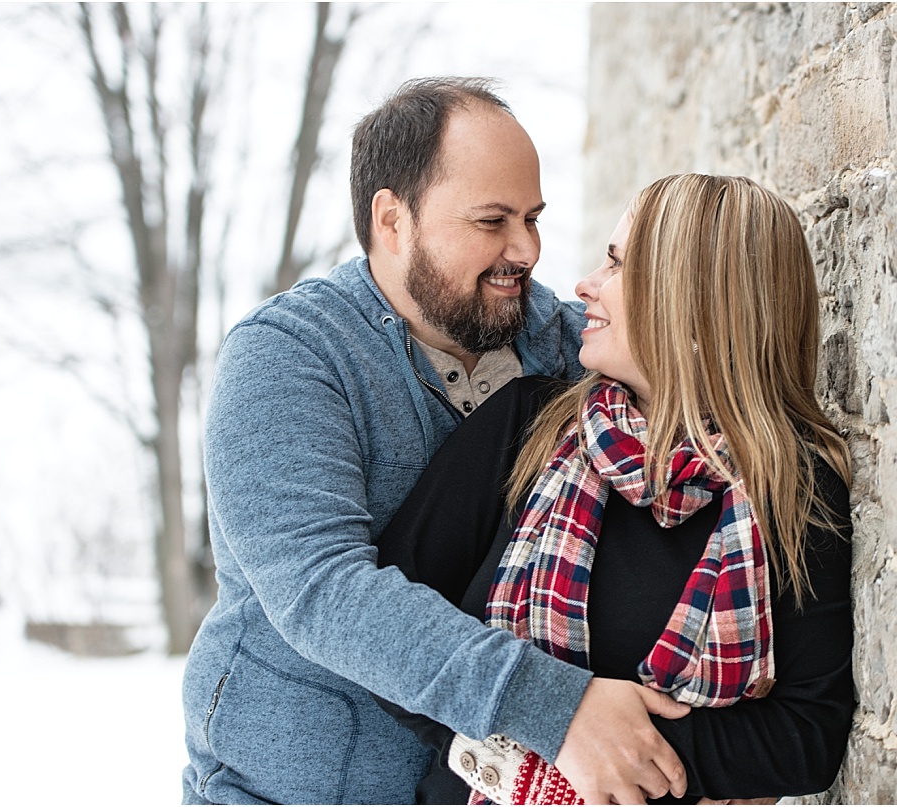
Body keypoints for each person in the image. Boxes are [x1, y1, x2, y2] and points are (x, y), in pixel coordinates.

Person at [181, 77, 692, 806]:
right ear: (391, 220)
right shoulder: (288, 357)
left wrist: (724, 763)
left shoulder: (573, 351)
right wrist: (558, 706)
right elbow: (323, 590)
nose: (525, 249)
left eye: (532, 217)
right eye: (490, 221)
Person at [374, 173, 856, 803]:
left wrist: (614, 748)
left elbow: (806, 735)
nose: (585, 286)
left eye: (617, 263)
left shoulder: (791, 485)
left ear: (692, 308)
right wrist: (553, 736)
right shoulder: (526, 429)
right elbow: (390, 633)